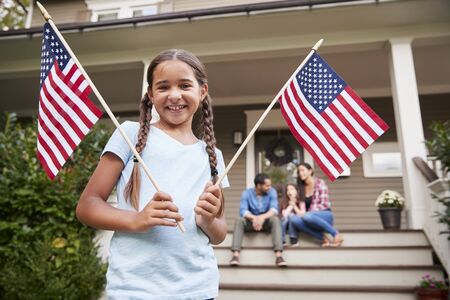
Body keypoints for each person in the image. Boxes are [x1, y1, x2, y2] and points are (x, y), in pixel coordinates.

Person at [76, 49, 230, 299]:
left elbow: (219, 233)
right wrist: (137, 220)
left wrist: (208, 222)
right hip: (136, 289)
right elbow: (87, 206)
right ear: (150, 93)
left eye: (185, 85)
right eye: (163, 87)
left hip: (198, 289)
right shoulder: (129, 135)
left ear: (202, 91)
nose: (174, 95)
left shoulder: (213, 156)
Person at [229, 173, 286, 267]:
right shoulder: (246, 193)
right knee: (239, 219)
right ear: (259, 186)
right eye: (267, 185)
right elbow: (243, 211)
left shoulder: (272, 192)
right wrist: (255, 218)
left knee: (275, 219)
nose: (269, 187)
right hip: (251, 223)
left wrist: (262, 218)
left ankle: (279, 256)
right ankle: (235, 255)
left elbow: (274, 210)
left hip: (266, 222)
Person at [287, 162, 344, 247]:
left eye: (303, 170)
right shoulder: (301, 188)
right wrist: (294, 203)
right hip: (309, 219)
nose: (301, 173)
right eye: (299, 171)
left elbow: (324, 204)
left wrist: (307, 213)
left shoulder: (320, 183)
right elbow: (301, 211)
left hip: (325, 215)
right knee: (293, 219)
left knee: (307, 216)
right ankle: (323, 238)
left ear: (310, 171)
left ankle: (335, 234)